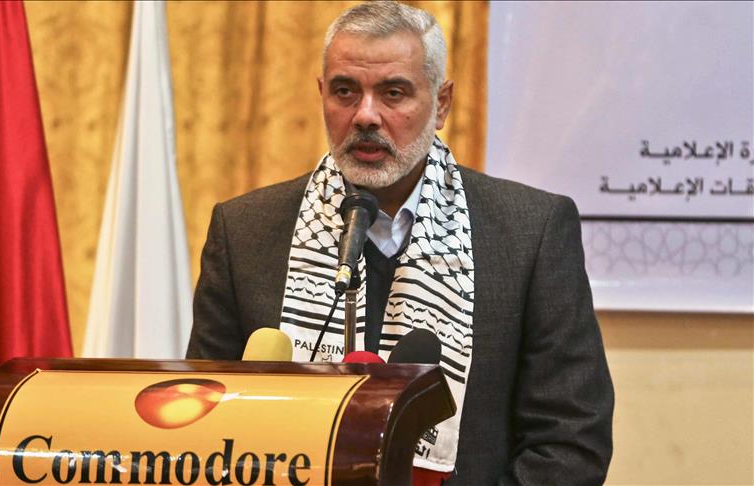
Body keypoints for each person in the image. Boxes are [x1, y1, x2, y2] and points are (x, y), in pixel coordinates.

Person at [187, 2, 613, 484]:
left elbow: (571, 440)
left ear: (442, 103)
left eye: (393, 93)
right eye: (345, 91)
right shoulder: (245, 231)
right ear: (321, 94)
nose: (365, 115)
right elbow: (204, 426)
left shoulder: (529, 232)